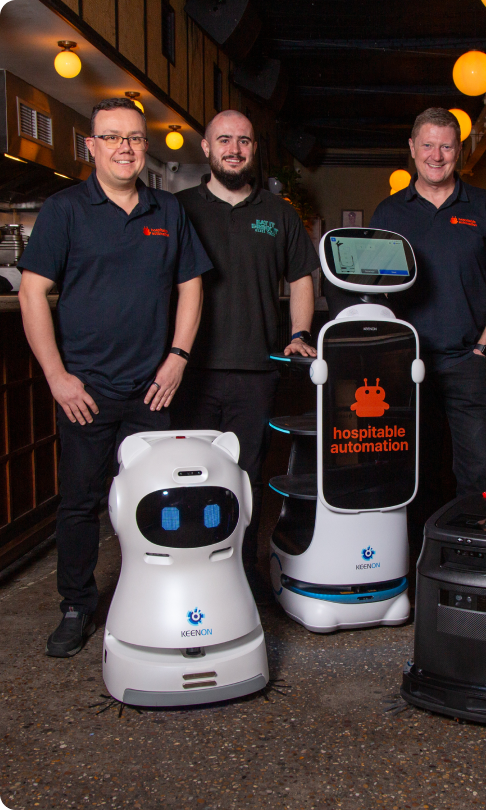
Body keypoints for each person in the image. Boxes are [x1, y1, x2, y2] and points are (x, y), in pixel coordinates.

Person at [18, 98, 210, 657]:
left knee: (155, 498)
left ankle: (152, 595)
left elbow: (191, 287)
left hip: (154, 387)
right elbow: (32, 293)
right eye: (113, 137)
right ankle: (77, 605)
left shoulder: (168, 211)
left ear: (143, 147)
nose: (124, 147)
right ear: (92, 146)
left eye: (133, 137)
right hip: (87, 390)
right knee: (81, 502)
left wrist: (177, 356)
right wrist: (57, 376)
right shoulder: (64, 210)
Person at [172, 110, 318, 592]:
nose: (234, 149)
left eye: (244, 141)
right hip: (191, 371)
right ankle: (195, 572)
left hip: (256, 370)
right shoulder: (179, 208)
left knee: (246, 477)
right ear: (207, 149)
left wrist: (298, 333)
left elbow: (301, 277)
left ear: (254, 150)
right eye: (224, 140)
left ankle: (243, 570)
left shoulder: (278, 214)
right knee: (193, 474)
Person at [369, 107, 486, 557]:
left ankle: (472, 562)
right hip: (407, 365)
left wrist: (484, 348)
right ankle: (420, 563)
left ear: (460, 153)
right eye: (427, 145)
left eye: (446, 146)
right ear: (412, 149)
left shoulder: (484, 208)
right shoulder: (390, 212)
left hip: (467, 362)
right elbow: (374, 291)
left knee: (476, 471)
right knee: (414, 468)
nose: (436, 155)